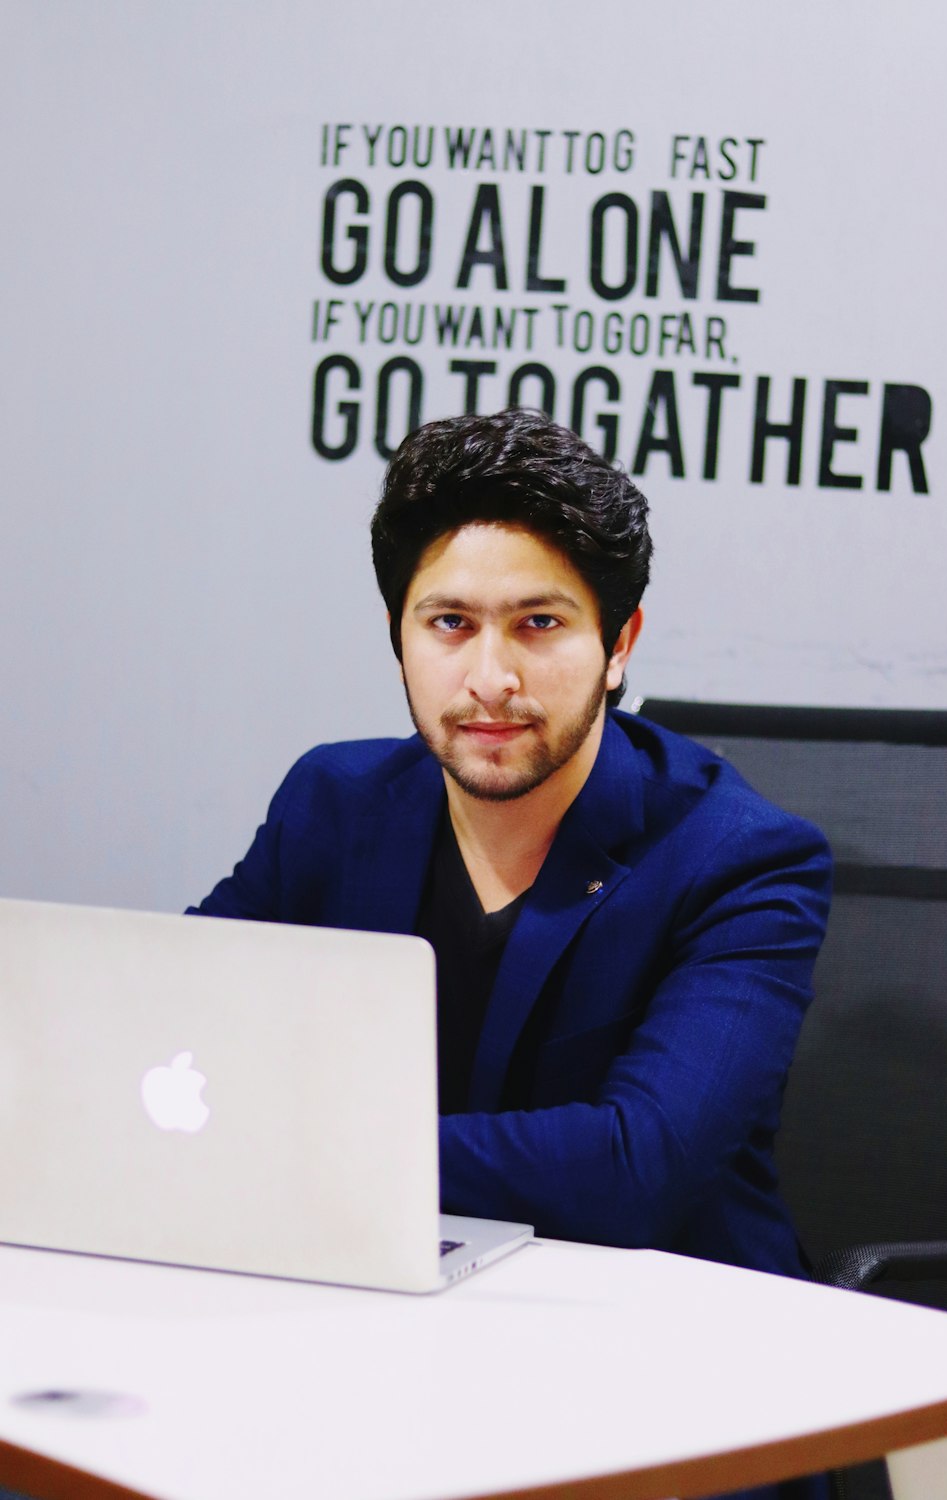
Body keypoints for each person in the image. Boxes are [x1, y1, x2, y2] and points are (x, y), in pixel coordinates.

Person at [191, 408, 832, 1499]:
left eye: (538, 624)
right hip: (394, 1339)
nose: (488, 676)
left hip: (671, 1390)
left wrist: (317, 1142)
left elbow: (636, 1167)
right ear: (398, 633)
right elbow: (183, 1029)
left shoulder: (742, 860)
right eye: (448, 624)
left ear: (618, 645)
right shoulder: (335, 803)